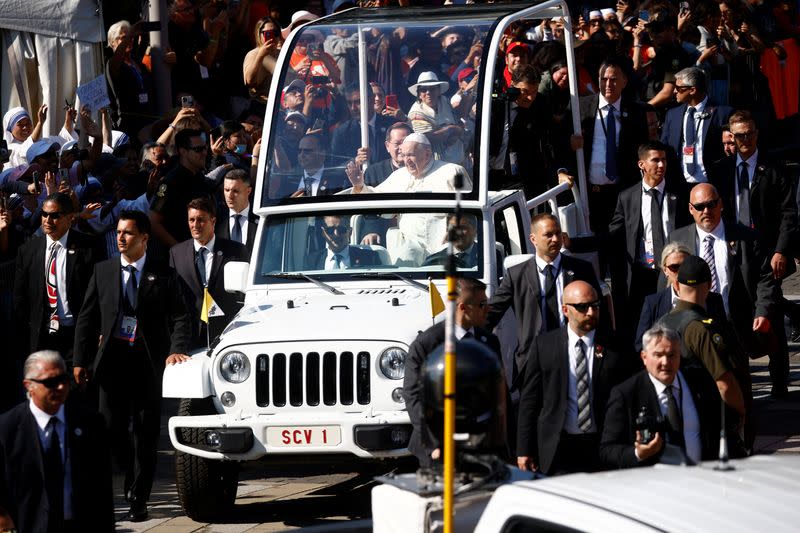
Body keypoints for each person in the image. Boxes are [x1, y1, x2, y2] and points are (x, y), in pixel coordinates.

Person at [73, 210, 191, 522]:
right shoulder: (103, 271)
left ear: (144, 238)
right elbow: (87, 318)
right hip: (112, 364)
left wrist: (176, 350)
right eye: (118, 233)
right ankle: (125, 470)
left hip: (147, 366)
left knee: (145, 435)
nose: (121, 239)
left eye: (128, 233)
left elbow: (180, 316)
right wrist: (80, 361)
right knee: (112, 430)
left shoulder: (163, 274)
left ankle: (139, 497)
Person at [668, 183, 781, 397]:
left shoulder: (746, 237)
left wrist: (762, 312)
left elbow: (766, 279)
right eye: (700, 207)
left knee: (740, 390)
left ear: (721, 204)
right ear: (691, 209)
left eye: (711, 205)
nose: (706, 211)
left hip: (734, 326)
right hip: (694, 327)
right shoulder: (678, 239)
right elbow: (667, 281)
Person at [516, 281, 629, 475]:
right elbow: (530, 401)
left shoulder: (616, 346)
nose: (591, 313)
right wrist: (524, 450)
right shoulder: (545, 346)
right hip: (559, 447)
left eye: (595, 306)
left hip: (602, 446)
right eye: (582, 307)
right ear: (565, 310)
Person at [0, 350, 113, 533]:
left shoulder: (91, 424)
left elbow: (102, 492)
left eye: (64, 380)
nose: (60, 387)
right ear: (29, 386)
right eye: (51, 382)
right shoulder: (7, 429)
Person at [487, 214, 600, 387]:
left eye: (558, 233)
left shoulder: (581, 270)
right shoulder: (517, 275)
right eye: (548, 234)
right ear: (533, 239)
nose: (556, 239)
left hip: (575, 358)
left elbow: (599, 312)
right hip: (533, 364)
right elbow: (492, 312)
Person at [656, 255, 751, 454]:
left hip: (668, 419)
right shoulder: (702, 328)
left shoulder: (661, 323)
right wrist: (741, 415)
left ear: (678, 285)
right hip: (705, 425)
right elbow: (724, 383)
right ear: (709, 285)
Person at [403, 278, 501, 468]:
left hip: (482, 446)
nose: (488, 310)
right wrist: (434, 443)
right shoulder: (427, 344)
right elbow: (413, 396)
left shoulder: (489, 342)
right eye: (482, 305)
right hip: (440, 449)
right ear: (463, 307)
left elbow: (499, 393)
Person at [605, 141, 689, 334]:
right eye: (655, 160)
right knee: (642, 329)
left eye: (664, 160)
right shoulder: (627, 197)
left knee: (673, 326)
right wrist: (573, 243)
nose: (661, 165)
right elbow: (611, 235)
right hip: (641, 274)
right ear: (641, 164)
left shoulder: (679, 193)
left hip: (672, 273)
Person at [600, 326, 712, 468]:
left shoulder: (698, 383)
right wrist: (638, 453)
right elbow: (607, 451)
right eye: (658, 355)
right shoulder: (625, 394)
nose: (665, 362)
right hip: (653, 484)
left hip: (701, 481)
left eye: (671, 355)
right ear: (644, 357)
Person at [563, 58, 649, 237]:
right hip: (590, 194)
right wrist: (569, 143)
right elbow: (557, 143)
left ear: (624, 81)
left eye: (614, 79)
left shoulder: (636, 112)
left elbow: (642, 150)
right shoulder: (579, 107)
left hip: (622, 193)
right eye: (604, 79)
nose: (608, 84)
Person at [14, 192, 101, 364]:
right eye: (44, 214)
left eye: (55, 216)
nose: (47, 220)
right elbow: (20, 298)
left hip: (76, 335)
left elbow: (98, 295)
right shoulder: (28, 251)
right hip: (42, 337)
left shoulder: (89, 247)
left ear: (70, 218)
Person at [170, 198, 247, 345]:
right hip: (190, 337)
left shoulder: (236, 251)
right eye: (191, 220)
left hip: (228, 333)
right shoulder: (176, 253)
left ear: (213, 221)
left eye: (200, 220)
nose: (195, 225)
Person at [635, 243, 726, 351]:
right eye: (674, 267)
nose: (681, 271)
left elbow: (725, 338)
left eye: (685, 266)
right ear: (665, 270)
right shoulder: (653, 303)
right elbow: (641, 345)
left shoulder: (713, 300)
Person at [489, 64, 556, 197]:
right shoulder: (497, 103)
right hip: (493, 174)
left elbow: (549, 139)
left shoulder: (541, 104)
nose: (530, 98)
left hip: (525, 177)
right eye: (525, 91)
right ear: (512, 85)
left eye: (534, 92)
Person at [660, 67, 733, 184]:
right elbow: (665, 147)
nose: (674, 91)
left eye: (678, 88)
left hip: (712, 184)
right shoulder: (672, 114)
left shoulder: (723, 113)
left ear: (692, 90)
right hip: (679, 185)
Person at [149, 128, 216, 249]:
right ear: (183, 151)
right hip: (179, 254)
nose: (204, 153)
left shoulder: (200, 177)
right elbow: (154, 221)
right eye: (198, 149)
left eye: (205, 148)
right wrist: (178, 249)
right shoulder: (170, 182)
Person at [348, 133, 468, 194]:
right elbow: (377, 198)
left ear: (427, 154)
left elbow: (466, 213)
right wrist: (359, 185)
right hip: (407, 241)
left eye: (411, 155)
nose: (406, 161)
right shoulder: (399, 175)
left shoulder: (453, 172)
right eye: (404, 155)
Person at [105, 20, 154, 138]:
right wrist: (131, 32)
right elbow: (117, 57)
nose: (129, 40)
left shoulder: (138, 62)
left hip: (147, 119)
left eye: (131, 37)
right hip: (128, 127)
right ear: (112, 42)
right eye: (123, 38)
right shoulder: (113, 64)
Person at [406, 72, 465, 166]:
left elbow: (457, 120)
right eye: (424, 90)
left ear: (439, 90)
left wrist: (457, 128)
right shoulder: (416, 113)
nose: (428, 93)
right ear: (419, 94)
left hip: (459, 161)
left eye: (432, 88)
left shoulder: (444, 101)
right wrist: (451, 129)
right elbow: (427, 139)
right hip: (438, 166)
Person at [331, 84, 395, 165]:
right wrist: (355, 161)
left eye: (358, 102)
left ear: (371, 100)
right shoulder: (342, 132)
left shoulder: (391, 125)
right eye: (349, 103)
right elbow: (334, 167)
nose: (353, 108)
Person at [277, 134, 348, 198]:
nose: (302, 155)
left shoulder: (338, 179)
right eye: (299, 151)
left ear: (322, 153)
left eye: (307, 151)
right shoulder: (288, 179)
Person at [305, 215, 380, 270]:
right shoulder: (311, 261)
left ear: (350, 232)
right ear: (323, 233)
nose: (336, 235)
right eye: (330, 230)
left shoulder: (370, 258)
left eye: (341, 230)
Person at [215, 168, 257, 254]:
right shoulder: (216, 219)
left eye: (235, 191)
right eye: (226, 190)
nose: (229, 196)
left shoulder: (260, 216)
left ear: (248, 191)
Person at [243, 17, 283, 104]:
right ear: (259, 34)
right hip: (262, 106)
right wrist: (260, 56)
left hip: (280, 105)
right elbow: (249, 81)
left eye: (275, 33)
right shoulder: (253, 54)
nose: (272, 37)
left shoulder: (281, 52)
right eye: (268, 33)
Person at [363, 122, 412, 187]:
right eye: (397, 143)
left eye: (405, 142)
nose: (401, 147)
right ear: (387, 146)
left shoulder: (420, 169)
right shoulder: (373, 173)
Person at [2, 104, 47, 169]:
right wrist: (40, 123)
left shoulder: (41, 141)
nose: (25, 127)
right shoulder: (10, 149)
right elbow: (27, 150)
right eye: (20, 125)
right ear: (10, 129)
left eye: (28, 123)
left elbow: (62, 139)